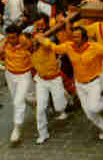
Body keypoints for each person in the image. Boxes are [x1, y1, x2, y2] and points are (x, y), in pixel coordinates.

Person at [36, 26, 103, 140]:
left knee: (94, 108)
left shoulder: (95, 47)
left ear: (84, 38)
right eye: (73, 36)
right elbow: (54, 48)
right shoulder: (69, 46)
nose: (74, 39)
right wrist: (41, 39)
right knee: (89, 114)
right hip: (79, 85)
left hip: (94, 83)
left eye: (77, 37)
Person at [31, 14, 68, 144]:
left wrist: (39, 39)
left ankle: (65, 96)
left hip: (54, 78)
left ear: (47, 24)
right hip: (41, 79)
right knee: (40, 108)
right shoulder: (29, 34)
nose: (40, 27)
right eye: (38, 25)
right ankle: (43, 133)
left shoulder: (53, 36)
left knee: (59, 107)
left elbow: (51, 45)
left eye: (42, 25)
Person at [1, 25, 33, 143]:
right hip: (10, 75)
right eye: (9, 37)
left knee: (18, 101)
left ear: (19, 36)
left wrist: (21, 42)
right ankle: (35, 103)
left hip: (24, 75)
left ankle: (17, 128)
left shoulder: (25, 42)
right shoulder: (6, 42)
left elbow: (29, 44)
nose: (11, 40)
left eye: (13, 37)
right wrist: (5, 41)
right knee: (19, 99)